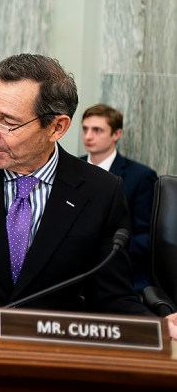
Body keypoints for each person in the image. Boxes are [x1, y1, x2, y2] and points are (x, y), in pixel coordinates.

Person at [0, 54, 177, 339]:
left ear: (57, 127)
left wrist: (157, 327)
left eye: (7, 122)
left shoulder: (100, 192)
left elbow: (113, 297)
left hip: (53, 349)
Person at [81, 104, 158, 292]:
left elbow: (145, 236)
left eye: (97, 130)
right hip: (71, 275)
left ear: (116, 134)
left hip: (118, 274)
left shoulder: (141, 176)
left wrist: (104, 256)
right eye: (85, 129)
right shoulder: (72, 168)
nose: (88, 136)